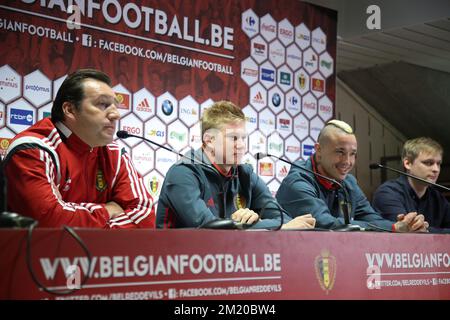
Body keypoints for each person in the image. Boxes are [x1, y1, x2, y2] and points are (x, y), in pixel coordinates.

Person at [4, 69, 155, 228]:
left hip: (100, 253)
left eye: (115, 106)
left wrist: (76, 214)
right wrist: (107, 210)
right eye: (103, 104)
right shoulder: (32, 149)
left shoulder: (115, 154)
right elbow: (49, 222)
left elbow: (144, 217)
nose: (115, 114)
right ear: (70, 110)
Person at [156, 100, 316, 229]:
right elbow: (207, 228)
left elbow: (283, 219)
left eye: (243, 138)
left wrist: (256, 225)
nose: (241, 145)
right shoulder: (183, 173)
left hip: (227, 261)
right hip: (179, 264)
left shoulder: (245, 174)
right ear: (209, 140)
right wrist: (250, 224)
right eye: (233, 138)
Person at [276, 119, 428, 232]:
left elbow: (371, 218)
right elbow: (324, 223)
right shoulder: (297, 182)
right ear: (319, 150)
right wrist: (394, 228)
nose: (347, 161)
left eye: (353, 154)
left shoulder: (349, 182)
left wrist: (407, 225)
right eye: (340, 152)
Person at [373, 137, 450, 233]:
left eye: (438, 164)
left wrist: (426, 230)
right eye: (428, 163)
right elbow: (408, 229)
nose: (436, 169)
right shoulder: (387, 193)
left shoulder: (438, 198)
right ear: (408, 163)